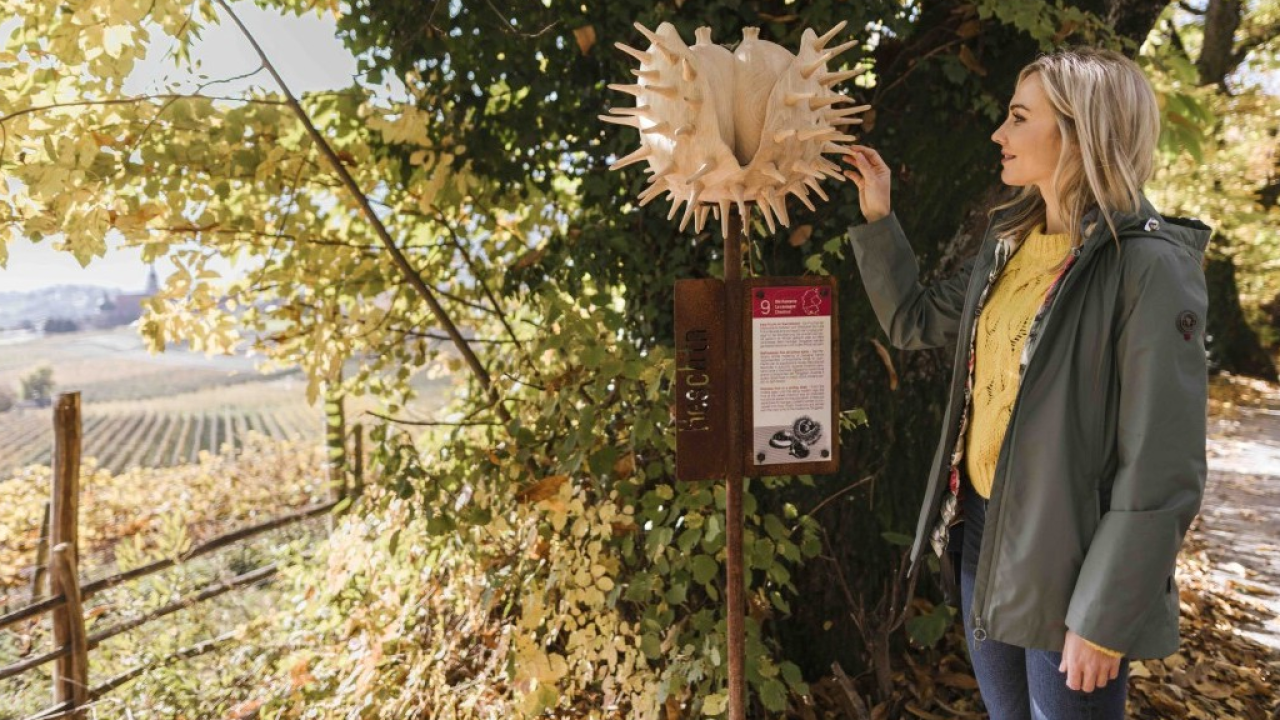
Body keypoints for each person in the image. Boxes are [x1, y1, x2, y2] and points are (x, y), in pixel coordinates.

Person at [840, 47, 1210, 720]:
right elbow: (914, 320)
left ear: (1078, 131)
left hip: (1072, 559)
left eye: (1018, 117)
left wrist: (1105, 615)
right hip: (983, 534)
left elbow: (1164, 464)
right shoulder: (1009, 244)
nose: (998, 134)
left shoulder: (1150, 267)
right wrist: (878, 216)